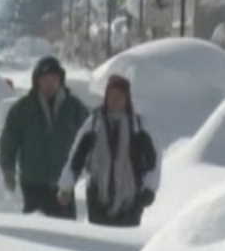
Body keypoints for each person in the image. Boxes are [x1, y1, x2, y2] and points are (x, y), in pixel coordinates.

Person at [58, 74, 159, 227]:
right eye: (111, 96)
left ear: (127, 99)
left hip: (131, 202)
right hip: (97, 199)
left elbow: (154, 162)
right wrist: (66, 186)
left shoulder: (138, 126)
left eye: (120, 96)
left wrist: (150, 189)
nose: (115, 100)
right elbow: (76, 158)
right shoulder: (94, 123)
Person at [0, 56, 89, 218]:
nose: (50, 84)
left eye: (54, 79)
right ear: (37, 81)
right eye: (45, 79)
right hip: (32, 183)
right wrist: (8, 169)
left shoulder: (74, 108)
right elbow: (9, 141)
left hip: (63, 185)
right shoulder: (23, 109)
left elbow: (90, 139)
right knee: (35, 234)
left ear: (60, 80)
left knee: (65, 233)